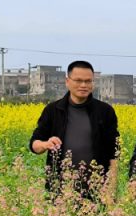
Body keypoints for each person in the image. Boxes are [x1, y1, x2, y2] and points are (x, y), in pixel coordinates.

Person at [29, 60, 119, 198]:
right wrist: (45, 144)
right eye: (78, 80)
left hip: (96, 190)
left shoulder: (105, 112)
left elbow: (113, 155)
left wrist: (110, 192)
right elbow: (34, 144)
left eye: (88, 81)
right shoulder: (53, 110)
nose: (83, 85)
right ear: (67, 81)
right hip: (60, 189)